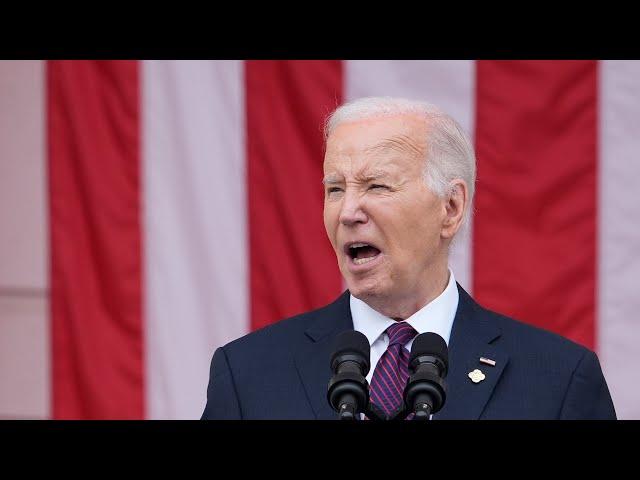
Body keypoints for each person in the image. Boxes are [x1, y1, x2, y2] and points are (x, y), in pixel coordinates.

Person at [201, 96, 616, 420]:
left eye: (377, 186)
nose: (348, 212)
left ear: (450, 208)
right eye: (335, 189)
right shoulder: (248, 375)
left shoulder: (558, 381)